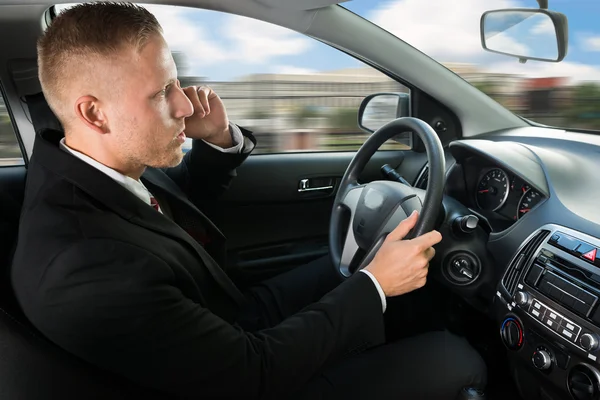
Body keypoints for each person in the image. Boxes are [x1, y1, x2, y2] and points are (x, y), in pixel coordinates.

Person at [10, 2, 486, 399]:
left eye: (176, 82)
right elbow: (253, 374)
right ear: (94, 112)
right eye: (161, 94)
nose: (184, 105)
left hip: (226, 319)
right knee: (455, 358)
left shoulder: (98, 159)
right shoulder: (83, 265)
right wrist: (374, 286)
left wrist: (217, 139)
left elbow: (169, 221)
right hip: (247, 378)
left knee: (372, 266)